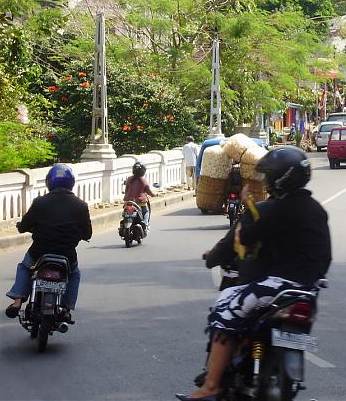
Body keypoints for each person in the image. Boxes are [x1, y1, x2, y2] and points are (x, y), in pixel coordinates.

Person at [175, 146, 332, 401]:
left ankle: (212, 385)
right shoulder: (317, 210)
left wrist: (249, 207)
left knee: (224, 309)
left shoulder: (275, 209)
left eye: (269, 176)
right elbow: (326, 256)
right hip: (307, 291)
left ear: (281, 179)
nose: (266, 182)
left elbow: (245, 236)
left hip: (278, 286)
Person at [5, 164, 92, 319]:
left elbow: (24, 225)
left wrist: (23, 227)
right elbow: (88, 233)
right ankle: (66, 309)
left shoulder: (40, 202)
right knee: (74, 275)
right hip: (67, 254)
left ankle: (17, 301)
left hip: (39, 252)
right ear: (71, 182)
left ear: (49, 182)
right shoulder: (81, 205)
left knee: (25, 267)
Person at [124, 161, 156, 230]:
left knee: (125, 212)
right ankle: (145, 222)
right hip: (140, 203)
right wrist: (154, 195)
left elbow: (126, 190)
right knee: (146, 211)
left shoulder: (129, 179)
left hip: (128, 202)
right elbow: (149, 192)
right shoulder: (144, 181)